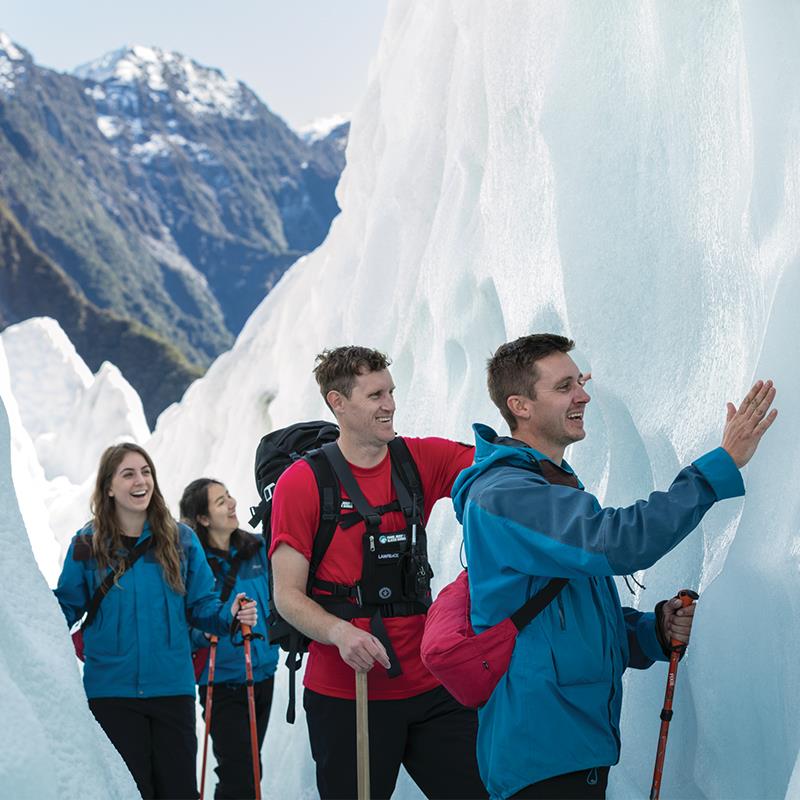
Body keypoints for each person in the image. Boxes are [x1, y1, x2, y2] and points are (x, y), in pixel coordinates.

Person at [451, 333, 777, 800]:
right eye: (564, 386)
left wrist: (650, 632)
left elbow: (564, 621)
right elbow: (619, 542)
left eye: (579, 382)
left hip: (570, 746)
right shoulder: (508, 496)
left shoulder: (545, 487)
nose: (582, 395)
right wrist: (717, 469)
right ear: (520, 406)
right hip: (543, 751)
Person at [270, 345, 487, 799]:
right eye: (375, 395)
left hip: (433, 686)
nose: (390, 404)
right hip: (347, 696)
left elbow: (495, 470)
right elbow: (286, 595)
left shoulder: (417, 460)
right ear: (337, 402)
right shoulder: (304, 483)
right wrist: (339, 633)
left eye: (390, 391)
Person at [54, 443, 257, 800]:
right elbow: (63, 609)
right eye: (128, 474)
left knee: (178, 792)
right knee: (130, 793)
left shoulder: (181, 541)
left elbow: (201, 606)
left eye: (146, 472)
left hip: (172, 692)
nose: (141, 481)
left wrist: (229, 614)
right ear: (109, 487)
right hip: (111, 695)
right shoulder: (87, 544)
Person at [180, 478, 279, 800]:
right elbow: (182, 623)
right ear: (203, 518)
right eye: (221, 502)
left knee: (249, 768)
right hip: (221, 683)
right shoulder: (191, 565)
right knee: (241, 775)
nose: (232, 503)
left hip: (263, 675)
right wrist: (201, 634)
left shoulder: (258, 548)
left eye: (229, 496)